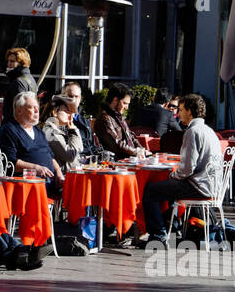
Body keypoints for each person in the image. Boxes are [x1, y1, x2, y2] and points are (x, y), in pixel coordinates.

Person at [139, 94, 222, 245]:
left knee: (150, 190)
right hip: (212, 185)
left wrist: (172, 176)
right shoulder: (209, 131)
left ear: (190, 112)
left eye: (182, 110)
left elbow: (187, 169)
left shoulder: (193, 131)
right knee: (168, 188)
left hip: (198, 187)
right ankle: (173, 227)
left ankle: (159, 235)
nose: (178, 114)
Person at [0, 92, 64, 197]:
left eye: (37, 107)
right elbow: (9, 162)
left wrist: (59, 172)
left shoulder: (38, 131)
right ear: (19, 110)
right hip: (27, 185)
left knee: (77, 188)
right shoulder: (9, 130)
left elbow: (50, 156)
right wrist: (35, 168)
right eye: (32, 108)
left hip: (50, 181)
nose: (37, 111)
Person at [93, 83, 144, 159]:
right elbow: (115, 143)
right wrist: (136, 152)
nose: (127, 108)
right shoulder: (104, 117)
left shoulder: (118, 116)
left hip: (128, 158)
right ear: (115, 100)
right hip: (115, 161)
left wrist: (141, 149)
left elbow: (131, 136)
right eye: (124, 103)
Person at [41, 94, 83, 173]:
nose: (70, 114)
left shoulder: (60, 130)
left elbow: (80, 148)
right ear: (55, 112)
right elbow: (70, 156)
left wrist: (73, 130)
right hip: (62, 178)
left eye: (71, 112)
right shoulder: (50, 131)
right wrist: (73, 131)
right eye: (67, 110)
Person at [61, 81, 101, 158]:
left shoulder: (85, 121)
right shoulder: (60, 121)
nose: (73, 99)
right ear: (62, 97)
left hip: (91, 163)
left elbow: (92, 145)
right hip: (75, 161)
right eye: (70, 96)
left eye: (76, 96)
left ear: (80, 98)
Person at [1, 48, 36, 125]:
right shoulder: (30, 78)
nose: (8, 64)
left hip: (14, 125)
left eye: (12, 61)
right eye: (8, 61)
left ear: (21, 63)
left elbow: (19, 110)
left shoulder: (18, 82)